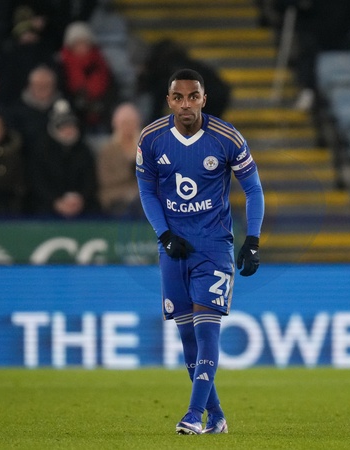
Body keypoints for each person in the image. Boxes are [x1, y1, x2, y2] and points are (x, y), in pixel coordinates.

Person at [136, 69, 264, 435]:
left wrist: (252, 240)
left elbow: (253, 190)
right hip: (174, 249)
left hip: (213, 246)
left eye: (193, 96)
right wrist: (164, 235)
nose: (186, 104)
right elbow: (146, 191)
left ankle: (193, 415)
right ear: (169, 101)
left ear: (204, 99)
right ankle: (217, 417)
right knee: (188, 338)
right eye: (178, 97)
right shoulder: (151, 138)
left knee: (207, 332)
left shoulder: (226, 138)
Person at [28, 99, 99, 217]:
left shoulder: (84, 150)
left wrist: (80, 199)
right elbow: (37, 182)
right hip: (48, 204)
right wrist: (56, 202)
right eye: (63, 127)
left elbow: (90, 180)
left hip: (81, 204)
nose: (68, 131)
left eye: (71, 126)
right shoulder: (41, 150)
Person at [59, 21, 115, 129]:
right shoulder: (62, 65)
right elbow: (62, 91)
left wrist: (101, 104)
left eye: (85, 42)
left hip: (101, 112)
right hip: (74, 115)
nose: (82, 47)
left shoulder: (100, 61)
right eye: (77, 43)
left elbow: (111, 87)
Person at [96, 102, 142, 218]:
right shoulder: (107, 150)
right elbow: (105, 179)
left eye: (131, 122)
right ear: (115, 124)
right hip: (115, 195)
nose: (128, 126)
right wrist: (130, 170)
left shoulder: (147, 147)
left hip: (141, 194)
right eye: (124, 123)